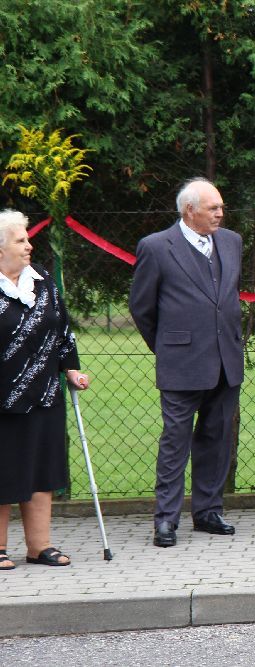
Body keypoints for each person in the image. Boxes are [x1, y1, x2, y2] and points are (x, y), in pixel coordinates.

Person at [129, 178, 243, 547]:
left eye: (221, 207)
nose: (220, 213)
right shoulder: (157, 247)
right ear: (189, 210)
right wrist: (167, 346)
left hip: (226, 361)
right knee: (175, 442)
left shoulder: (231, 242)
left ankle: (208, 511)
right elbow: (142, 307)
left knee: (217, 437)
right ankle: (166, 519)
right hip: (181, 363)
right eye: (213, 208)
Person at [0, 209, 91, 569]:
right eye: (20, 240)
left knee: (42, 468)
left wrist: (72, 369)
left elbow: (63, 332)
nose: (29, 245)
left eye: (27, 238)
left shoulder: (44, 284)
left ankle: (40, 547)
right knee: (3, 469)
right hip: (3, 398)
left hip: (44, 394)